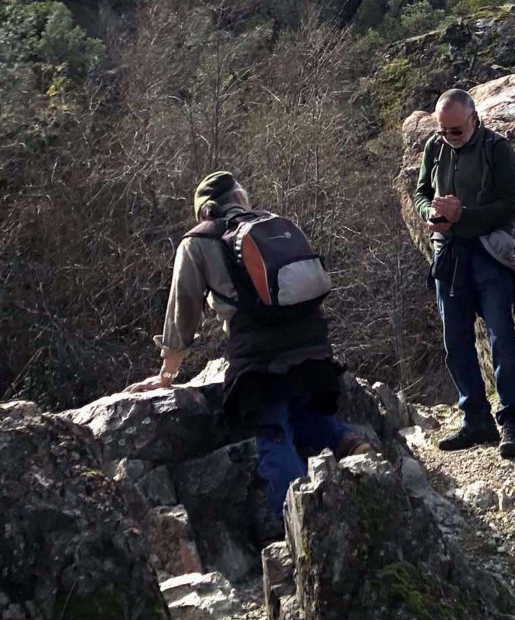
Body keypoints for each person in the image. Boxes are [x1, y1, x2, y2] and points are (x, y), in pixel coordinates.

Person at [127, 171, 358, 513]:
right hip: (312, 341)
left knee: (272, 431)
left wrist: (167, 374)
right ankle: (352, 446)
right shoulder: (276, 223)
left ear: (205, 210)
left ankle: (307, 526)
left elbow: (183, 311)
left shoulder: (198, 241)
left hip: (260, 355)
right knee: (299, 409)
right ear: (238, 198)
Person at [414, 88, 515, 458]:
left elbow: (511, 204)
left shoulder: (497, 149)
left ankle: (512, 420)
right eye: (443, 130)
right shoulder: (435, 147)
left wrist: (466, 215)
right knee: (456, 339)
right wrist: (429, 215)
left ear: (474, 120)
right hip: (448, 253)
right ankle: (475, 418)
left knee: (501, 336)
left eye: (456, 131)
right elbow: (419, 192)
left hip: (486, 253)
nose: (448, 137)